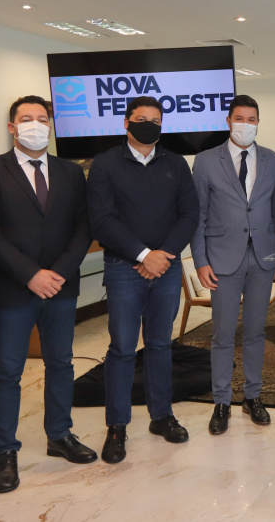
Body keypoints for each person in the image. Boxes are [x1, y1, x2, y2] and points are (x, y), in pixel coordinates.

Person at [0, 95, 96, 494]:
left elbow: (83, 226)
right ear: (12, 127)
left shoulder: (71, 172)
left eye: (43, 119)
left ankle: (60, 435)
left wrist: (58, 273)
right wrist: (30, 275)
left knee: (61, 363)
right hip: (12, 288)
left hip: (61, 286)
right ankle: (6, 451)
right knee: (7, 372)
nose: (36, 125)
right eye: (27, 119)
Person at [87, 96, 199, 464]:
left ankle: (161, 416)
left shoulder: (176, 163)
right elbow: (101, 220)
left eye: (155, 120)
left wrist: (163, 254)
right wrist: (142, 255)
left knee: (160, 344)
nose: (148, 125)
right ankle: (117, 426)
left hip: (166, 267)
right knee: (122, 348)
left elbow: (189, 214)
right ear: (126, 123)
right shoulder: (105, 164)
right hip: (124, 268)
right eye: (141, 119)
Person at [191, 95, 275, 435]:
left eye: (252, 119)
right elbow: (198, 215)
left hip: (262, 257)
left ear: (258, 122)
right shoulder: (205, 160)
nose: (246, 124)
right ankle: (222, 401)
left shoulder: (272, 159)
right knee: (223, 334)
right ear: (228, 121)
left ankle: (253, 396)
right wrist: (200, 261)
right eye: (240, 118)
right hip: (221, 258)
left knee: (256, 331)